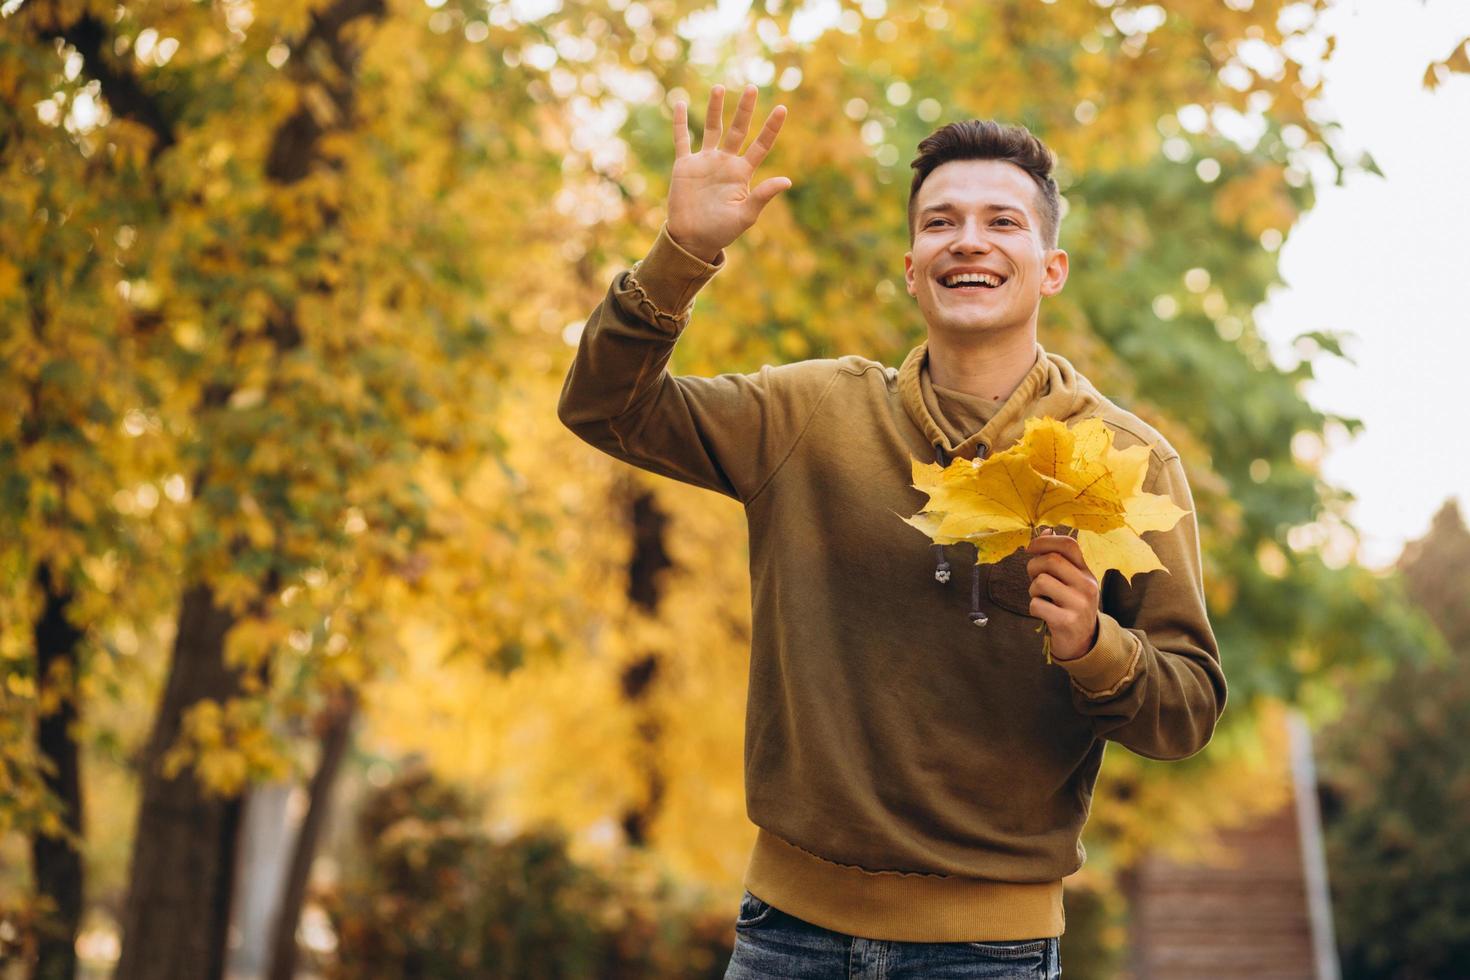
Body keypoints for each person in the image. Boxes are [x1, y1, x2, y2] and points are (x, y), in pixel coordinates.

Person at [557, 84, 1226, 979]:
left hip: (993, 951)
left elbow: (1188, 710)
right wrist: (680, 256)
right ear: (912, 266)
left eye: (1002, 222)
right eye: (941, 223)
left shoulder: (1125, 463)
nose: (970, 241)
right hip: (786, 937)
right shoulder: (810, 413)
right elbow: (606, 408)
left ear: (1051, 266)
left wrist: (1095, 647)